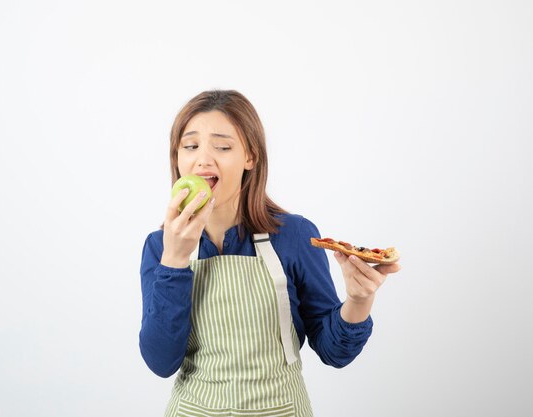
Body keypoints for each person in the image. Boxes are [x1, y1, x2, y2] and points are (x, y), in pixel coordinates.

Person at [139, 90, 401, 416]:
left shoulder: (294, 236)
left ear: (250, 156)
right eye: (190, 146)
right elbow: (160, 362)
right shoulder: (159, 246)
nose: (203, 159)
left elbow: (335, 352)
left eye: (221, 146)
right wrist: (175, 261)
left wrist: (359, 300)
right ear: (177, 157)